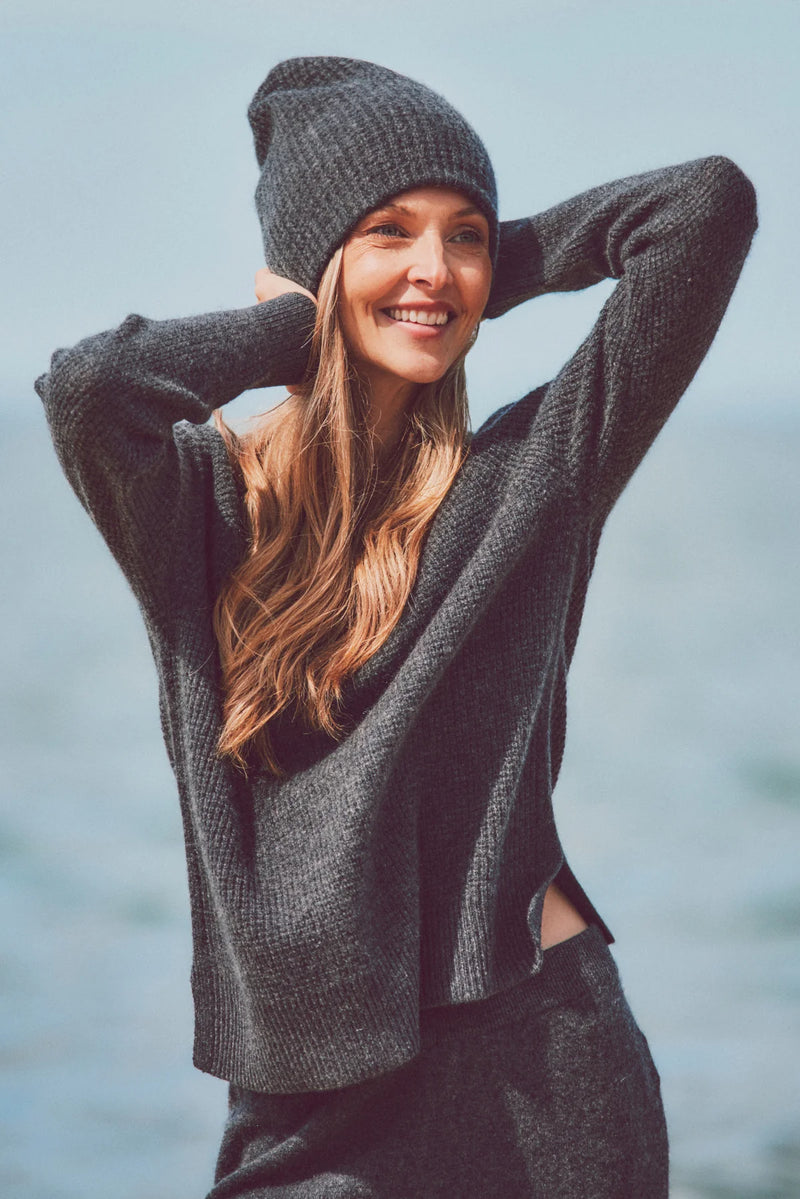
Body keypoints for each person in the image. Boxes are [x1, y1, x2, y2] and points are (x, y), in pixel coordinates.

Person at [35, 55, 757, 1199]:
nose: (435, 264)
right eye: (390, 229)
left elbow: (703, 209)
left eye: (463, 232)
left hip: (538, 1071)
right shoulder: (201, 509)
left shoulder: (527, 480)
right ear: (314, 267)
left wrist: (456, 278)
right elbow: (90, 391)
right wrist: (309, 324)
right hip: (305, 1111)